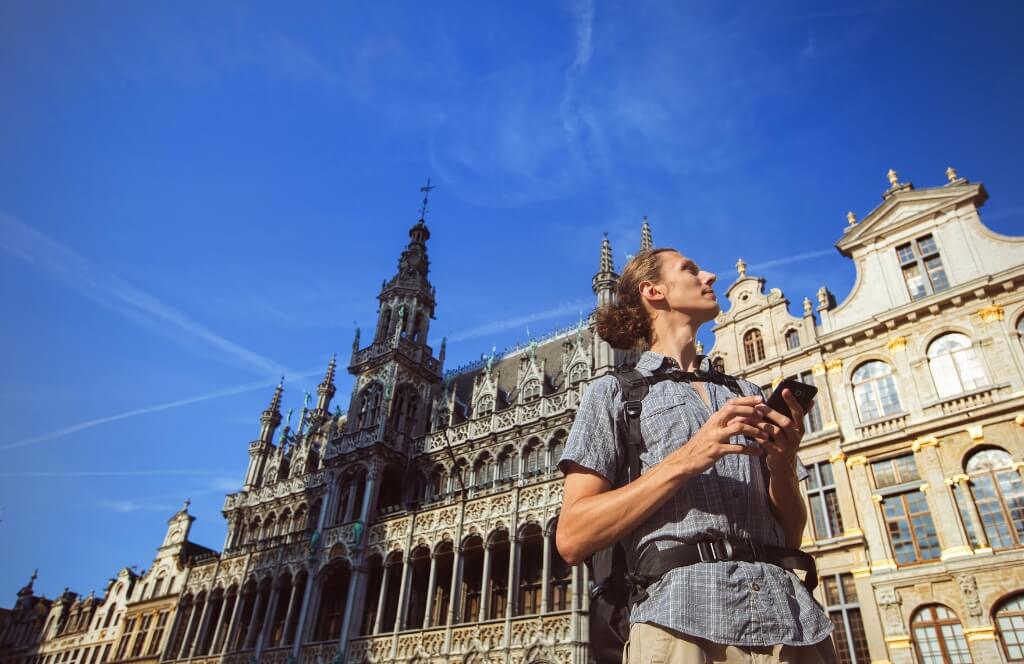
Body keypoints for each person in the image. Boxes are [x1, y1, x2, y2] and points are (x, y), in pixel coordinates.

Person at [557, 247, 836, 663]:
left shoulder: (747, 393)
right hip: (681, 625)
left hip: (790, 623)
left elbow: (791, 534)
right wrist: (689, 457)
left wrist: (781, 462)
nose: (710, 276)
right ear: (653, 291)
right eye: (689, 269)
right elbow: (573, 537)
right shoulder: (615, 393)